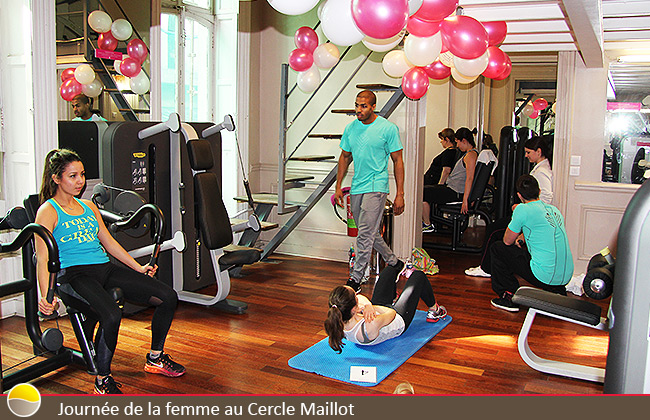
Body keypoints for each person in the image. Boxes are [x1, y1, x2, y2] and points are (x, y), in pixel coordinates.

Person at [35, 149, 185, 394]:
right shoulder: (48, 211)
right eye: (72, 176)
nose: (80, 181)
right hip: (74, 275)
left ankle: (155, 357)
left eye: (82, 175)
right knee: (111, 316)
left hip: (103, 268)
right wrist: (46, 297)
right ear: (56, 178)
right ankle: (102, 381)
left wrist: (139, 267)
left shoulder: (88, 207)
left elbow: (109, 242)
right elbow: (43, 258)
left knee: (168, 296)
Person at [334, 90, 405, 292]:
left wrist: (400, 193)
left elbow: (398, 160)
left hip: (377, 185)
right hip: (357, 186)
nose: (359, 110)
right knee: (369, 233)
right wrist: (338, 186)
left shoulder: (388, 128)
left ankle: (355, 280)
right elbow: (345, 157)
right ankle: (394, 262)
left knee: (364, 234)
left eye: (363, 106)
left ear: (373, 107)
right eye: (357, 105)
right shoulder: (351, 128)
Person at [465, 136, 553, 278]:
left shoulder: (542, 172)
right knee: (497, 230)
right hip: (529, 214)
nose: (526, 155)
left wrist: (528, 208)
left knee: (494, 230)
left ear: (539, 151)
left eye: (529, 152)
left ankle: (486, 268)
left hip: (532, 217)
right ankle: (492, 266)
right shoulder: (541, 167)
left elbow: (547, 197)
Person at [489, 174, 573, 312]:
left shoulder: (522, 209)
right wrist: (521, 239)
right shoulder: (553, 210)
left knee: (498, 248)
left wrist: (517, 214)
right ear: (539, 192)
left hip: (545, 276)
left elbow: (507, 240)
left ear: (519, 196)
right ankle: (556, 292)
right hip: (565, 276)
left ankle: (508, 296)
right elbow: (542, 231)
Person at [324, 264, 447, 353]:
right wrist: (372, 307)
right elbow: (391, 313)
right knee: (418, 276)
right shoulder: (369, 325)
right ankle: (435, 311)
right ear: (353, 309)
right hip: (397, 319)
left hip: (378, 311)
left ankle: (393, 297)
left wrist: (368, 306)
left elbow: (361, 298)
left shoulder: (339, 316)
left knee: (389, 269)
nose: (358, 296)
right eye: (355, 296)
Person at [422, 127, 478, 233]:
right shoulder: (470, 154)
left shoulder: (471, 155)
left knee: (422, 192)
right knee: (425, 190)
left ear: (464, 141)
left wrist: (466, 200)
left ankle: (428, 224)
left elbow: (470, 178)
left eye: (458, 142)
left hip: (455, 192)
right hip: (452, 188)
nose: (457, 145)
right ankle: (428, 223)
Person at [422, 128, 459, 231]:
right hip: (431, 180)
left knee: (421, 194)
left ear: (447, 139)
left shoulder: (449, 152)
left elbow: (446, 170)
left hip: (433, 182)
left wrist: (440, 185)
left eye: (442, 140)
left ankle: (427, 223)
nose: (441, 142)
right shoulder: (453, 152)